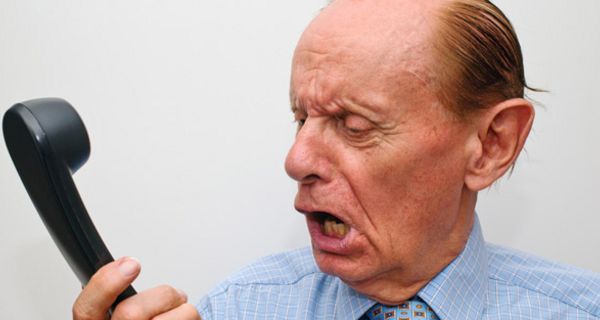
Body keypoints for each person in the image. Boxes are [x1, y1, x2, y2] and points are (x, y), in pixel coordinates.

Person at [72, 0, 600, 319]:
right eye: (302, 118)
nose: (297, 159)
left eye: (354, 124)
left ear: (491, 145)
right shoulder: (235, 309)